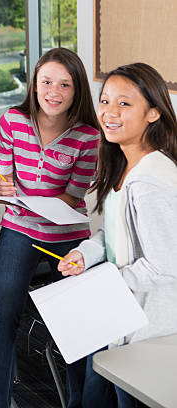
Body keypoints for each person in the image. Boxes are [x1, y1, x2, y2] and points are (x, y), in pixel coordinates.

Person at [0, 48, 101, 408]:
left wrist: (42, 204)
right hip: (19, 227)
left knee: (75, 315)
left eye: (65, 84)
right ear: (34, 84)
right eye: (46, 82)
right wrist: (3, 187)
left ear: (77, 91)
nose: (53, 92)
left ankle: (83, 401)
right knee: (5, 311)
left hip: (67, 234)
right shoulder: (11, 122)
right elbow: (5, 177)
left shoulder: (88, 137)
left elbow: (73, 195)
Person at [58, 63, 177, 408]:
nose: (109, 113)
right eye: (105, 101)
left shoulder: (150, 182)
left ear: (153, 112)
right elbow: (115, 232)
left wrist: (104, 284)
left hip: (148, 323)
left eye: (124, 104)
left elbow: (164, 265)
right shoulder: (128, 164)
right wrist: (87, 253)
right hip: (123, 307)